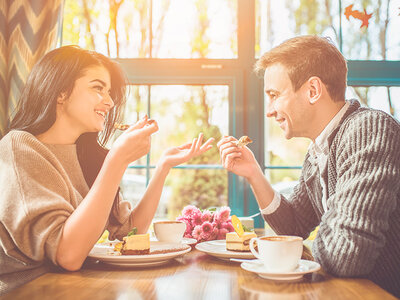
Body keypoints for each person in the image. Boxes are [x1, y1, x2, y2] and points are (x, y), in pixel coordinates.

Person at [0, 45, 214, 295]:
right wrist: (117, 161)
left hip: (84, 287)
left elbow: (127, 232)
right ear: (61, 92)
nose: (110, 102)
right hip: (32, 291)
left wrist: (163, 167)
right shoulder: (19, 147)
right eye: (97, 88)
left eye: (110, 92)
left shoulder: (86, 156)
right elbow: (68, 255)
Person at [218, 35, 400, 297]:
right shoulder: (319, 149)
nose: (269, 110)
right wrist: (254, 174)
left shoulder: (368, 130)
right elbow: (293, 226)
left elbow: (345, 256)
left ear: (313, 90)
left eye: (274, 95)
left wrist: (314, 243)